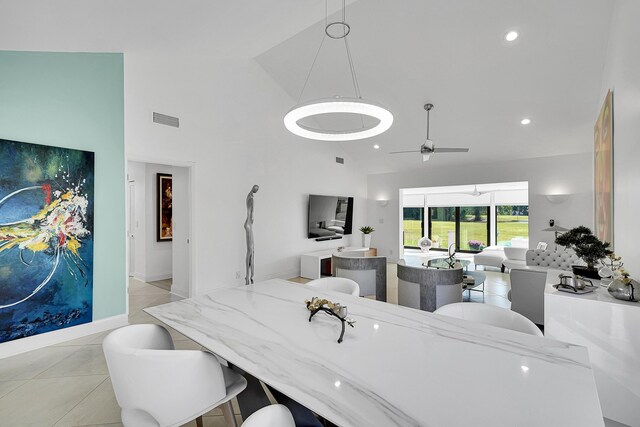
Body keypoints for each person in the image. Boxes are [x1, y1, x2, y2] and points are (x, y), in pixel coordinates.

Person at [244, 185, 259, 285]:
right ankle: (248, 276)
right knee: (250, 251)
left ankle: (251, 275)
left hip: (248, 224)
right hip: (249, 224)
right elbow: (251, 211)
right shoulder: (251, 198)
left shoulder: (249, 196)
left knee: (252, 251)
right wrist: (252, 217)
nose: (256, 191)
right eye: (256, 189)